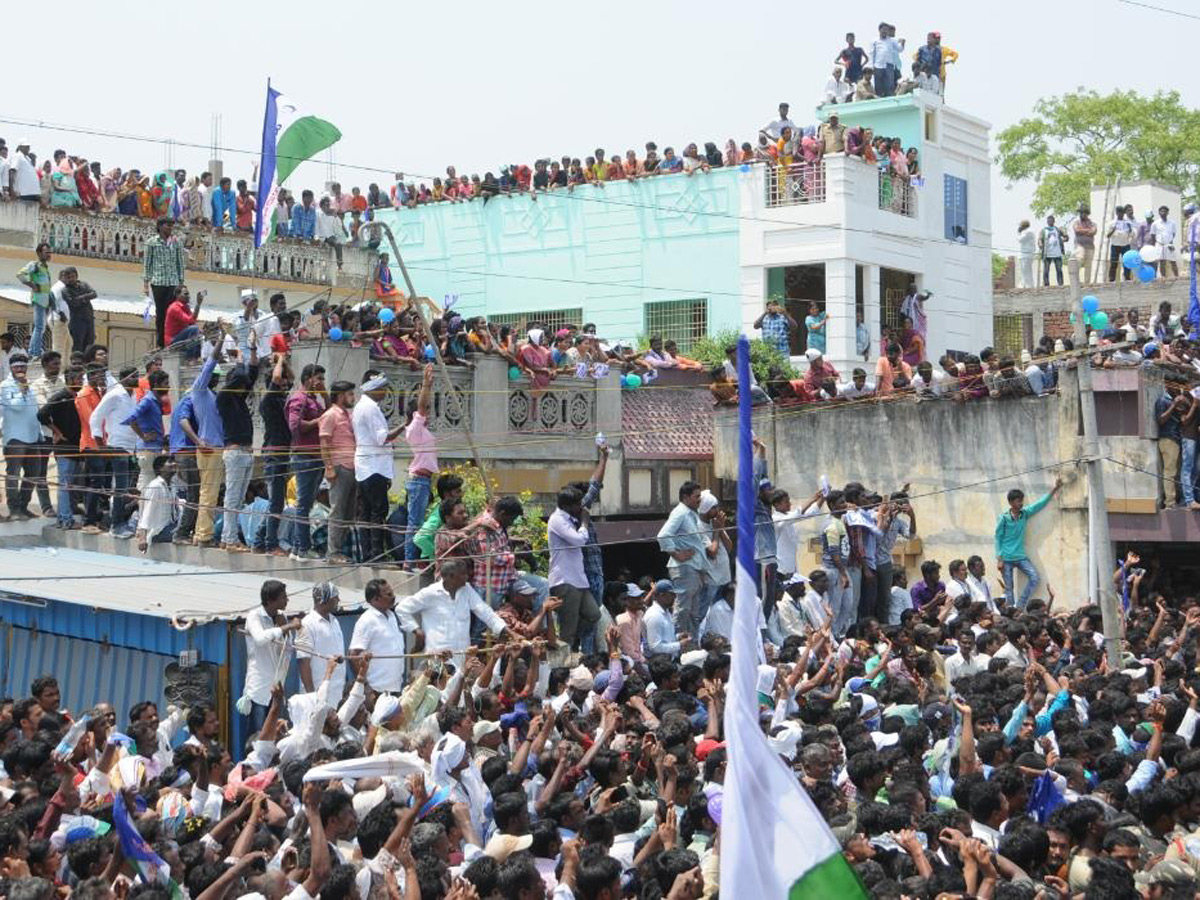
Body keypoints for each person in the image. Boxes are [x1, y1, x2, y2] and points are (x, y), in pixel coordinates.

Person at [353, 370, 406, 563]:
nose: (385, 392)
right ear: (373, 389)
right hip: (374, 467)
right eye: (382, 388)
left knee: (366, 512)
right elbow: (383, 437)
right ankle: (376, 554)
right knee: (378, 511)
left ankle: (367, 554)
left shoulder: (361, 406)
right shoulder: (371, 408)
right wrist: (404, 426)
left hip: (366, 466)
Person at [242, 579, 303, 733]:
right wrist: (285, 627)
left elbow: (287, 650)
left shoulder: (281, 616)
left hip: (276, 689)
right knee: (257, 739)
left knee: (275, 736)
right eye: (283, 597)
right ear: (270, 600)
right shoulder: (254, 616)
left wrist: (286, 630)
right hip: (259, 689)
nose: (287, 600)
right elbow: (260, 639)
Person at [548, 485, 602, 652]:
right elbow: (578, 540)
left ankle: (569, 643)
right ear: (567, 506)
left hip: (579, 580)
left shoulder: (570, 519)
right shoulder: (558, 520)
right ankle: (563, 666)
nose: (581, 508)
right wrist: (585, 522)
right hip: (565, 580)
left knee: (594, 614)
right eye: (578, 504)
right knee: (567, 632)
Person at [995, 476, 1063, 609]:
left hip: (1020, 556)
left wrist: (1055, 489)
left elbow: (1039, 504)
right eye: (1018, 501)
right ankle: (1010, 611)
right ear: (1011, 502)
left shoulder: (1024, 514)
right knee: (1009, 588)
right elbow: (998, 538)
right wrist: (999, 558)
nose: (1021, 504)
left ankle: (1019, 605)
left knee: (1035, 577)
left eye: (1021, 501)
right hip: (1006, 558)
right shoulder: (1003, 518)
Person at [656, 480, 711, 640]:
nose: (699, 500)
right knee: (683, 610)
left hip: (693, 568)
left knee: (693, 613)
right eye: (696, 496)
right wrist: (677, 554)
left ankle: (692, 645)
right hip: (683, 567)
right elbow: (663, 535)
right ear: (686, 497)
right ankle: (679, 646)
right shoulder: (680, 512)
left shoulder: (691, 514)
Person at [286, 362, 327, 560]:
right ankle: (303, 548)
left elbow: (329, 413)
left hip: (316, 457)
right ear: (308, 379)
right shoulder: (299, 399)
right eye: (318, 379)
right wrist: (315, 422)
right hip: (305, 457)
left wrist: (325, 393)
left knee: (308, 503)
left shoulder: (314, 400)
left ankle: (296, 547)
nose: (321, 382)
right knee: (303, 504)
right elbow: (295, 426)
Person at [402, 364, 439, 566]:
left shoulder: (420, 430)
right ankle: (410, 560)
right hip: (418, 481)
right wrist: (426, 385)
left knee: (418, 523)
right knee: (414, 523)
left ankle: (415, 559)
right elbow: (422, 407)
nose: (428, 414)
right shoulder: (415, 428)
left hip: (423, 481)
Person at [319, 380, 358, 564]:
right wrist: (329, 467)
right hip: (339, 466)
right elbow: (324, 443)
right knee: (337, 510)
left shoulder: (348, 415)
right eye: (350, 394)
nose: (353, 397)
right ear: (341, 395)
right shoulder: (330, 415)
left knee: (349, 513)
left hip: (352, 466)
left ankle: (339, 550)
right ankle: (332, 552)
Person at [142, 218, 186, 349]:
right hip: (158, 282)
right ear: (160, 226)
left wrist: (181, 282)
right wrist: (145, 284)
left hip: (173, 283)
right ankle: (161, 343)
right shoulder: (151, 243)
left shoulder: (176, 243)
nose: (170, 228)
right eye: (168, 225)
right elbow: (147, 264)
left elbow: (180, 264)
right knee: (161, 313)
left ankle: (172, 341)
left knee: (172, 313)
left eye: (172, 226)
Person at [134, 454, 180, 551]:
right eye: (170, 462)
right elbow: (147, 512)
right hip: (159, 530)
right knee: (182, 535)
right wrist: (142, 538)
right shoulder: (155, 486)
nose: (174, 464)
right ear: (160, 469)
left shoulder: (172, 485)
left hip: (170, 525)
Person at [1155, 382, 1188, 508]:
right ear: (1167, 386)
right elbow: (1161, 420)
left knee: (1176, 472)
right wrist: (1174, 405)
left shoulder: (1173, 400)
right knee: (1170, 472)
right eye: (1175, 387)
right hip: (1167, 439)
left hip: (1175, 438)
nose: (1177, 389)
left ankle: (1176, 498)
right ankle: (1169, 502)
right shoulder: (1162, 401)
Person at [869, 22, 905, 98]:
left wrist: (902, 43)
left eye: (886, 30)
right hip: (878, 65)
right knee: (878, 85)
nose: (885, 31)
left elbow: (899, 49)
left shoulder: (892, 40)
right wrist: (871, 66)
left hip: (889, 65)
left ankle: (889, 98)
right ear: (879, 30)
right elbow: (872, 54)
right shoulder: (875, 41)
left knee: (889, 84)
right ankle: (879, 99)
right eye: (883, 29)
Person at [1106, 207, 1136, 282]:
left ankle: (1127, 278)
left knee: (1127, 262)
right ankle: (1112, 279)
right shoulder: (1112, 223)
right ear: (1116, 213)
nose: (1121, 214)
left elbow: (1132, 235)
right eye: (1119, 212)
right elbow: (1107, 235)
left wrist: (1130, 229)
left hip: (1125, 245)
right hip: (1115, 245)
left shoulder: (1128, 223)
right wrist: (1113, 230)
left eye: (1122, 212)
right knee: (1114, 262)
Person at [1070, 206, 1098, 285]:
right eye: (1081, 213)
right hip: (1080, 245)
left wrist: (1083, 231)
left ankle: (1087, 283)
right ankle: (1076, 281)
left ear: (1087, 214)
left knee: (1088, 265)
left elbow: (1093, 232)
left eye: (1083, 213)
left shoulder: (1092, 223)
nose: (1082, 214)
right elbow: (1077, 230)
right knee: (1079, 259)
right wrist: (1087, 231)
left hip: (1090, 246)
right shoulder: (1076, 222)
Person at [1039, 215, 1066, 287]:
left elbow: (1066, 236)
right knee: (1046, 270)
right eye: (1048, 220)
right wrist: (1040, 244)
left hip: (1057, 253)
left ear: (1054, 221)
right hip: (1047, 253)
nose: (1050, 222)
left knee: (1059, 269)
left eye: (1051, 220)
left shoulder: (1058, 229)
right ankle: (1046, 284)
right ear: (1047, 222)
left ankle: (1060, 284)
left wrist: (1064, 239)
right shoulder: (1044, 230)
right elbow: (1039, 239)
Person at [1152, 205, 1179, 278]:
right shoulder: (1155, 223)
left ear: (1168, 213)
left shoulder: (1172, 223)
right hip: (1160, 245)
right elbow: (1153, 235)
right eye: (1161, 211)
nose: (1163, 212)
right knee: (1162, 262)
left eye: (1165, 211)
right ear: (1159, 213)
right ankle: (1163, 278)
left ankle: (1177, 277)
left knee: (1173, 262)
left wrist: (1169, 242)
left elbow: (1173, 234)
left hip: (1169, 244)